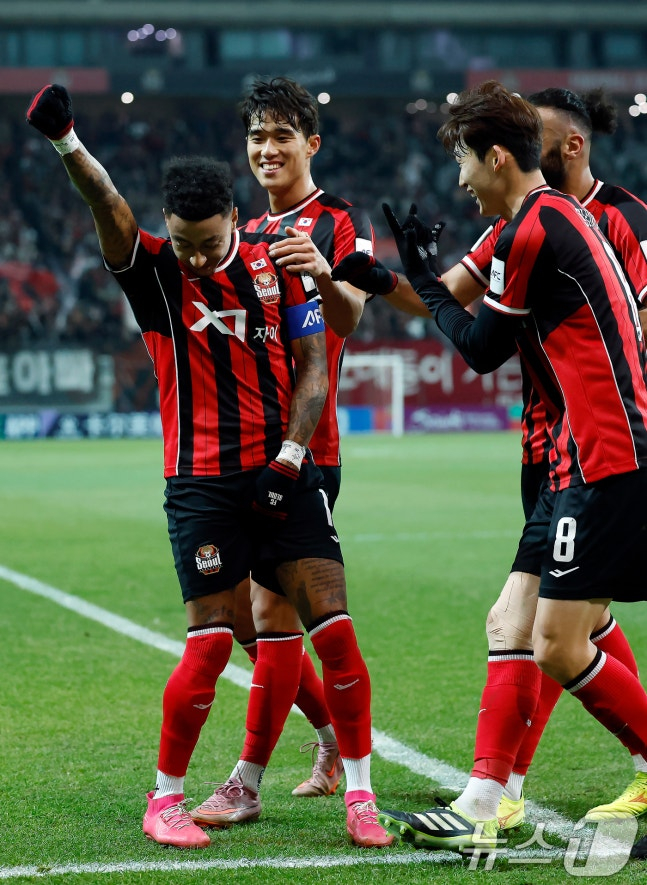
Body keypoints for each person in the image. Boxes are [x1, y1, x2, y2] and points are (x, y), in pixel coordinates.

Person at [26, 83, 390, 850]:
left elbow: (315, 366)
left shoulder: (279, 259)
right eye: (180, 242)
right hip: (199, 486)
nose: (192, 258)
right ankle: (167, 798)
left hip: (286, 475)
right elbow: (106, 200)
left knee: (333, 629)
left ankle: (359, 794)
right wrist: (65, 141)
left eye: (205, 243)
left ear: (231, 219)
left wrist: (290, 457)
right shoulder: (156, 273)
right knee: (217, 641)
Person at [333, 85, 647, 833]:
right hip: (575, 456)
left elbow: (478, 348)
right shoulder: (547, 218)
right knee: (512, 619)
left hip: (604, 455)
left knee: (559, 643)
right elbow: (464, 312)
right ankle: (484, 799)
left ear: (497, 157)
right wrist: (407, 276)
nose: (460, 180)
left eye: (463, 162)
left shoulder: (534, 230)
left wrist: (418, 273)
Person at [186, 78, 392, 846]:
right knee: (254, 621)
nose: (267, 149)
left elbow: (351, 317)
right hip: (244, 451)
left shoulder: (337, 220)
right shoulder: (242, 230)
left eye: (281, 135)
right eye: (256, 137)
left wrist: (321, 271)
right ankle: (327, 741)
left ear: (311, 142)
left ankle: (251, 780)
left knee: (275, 621)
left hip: (307, 449)